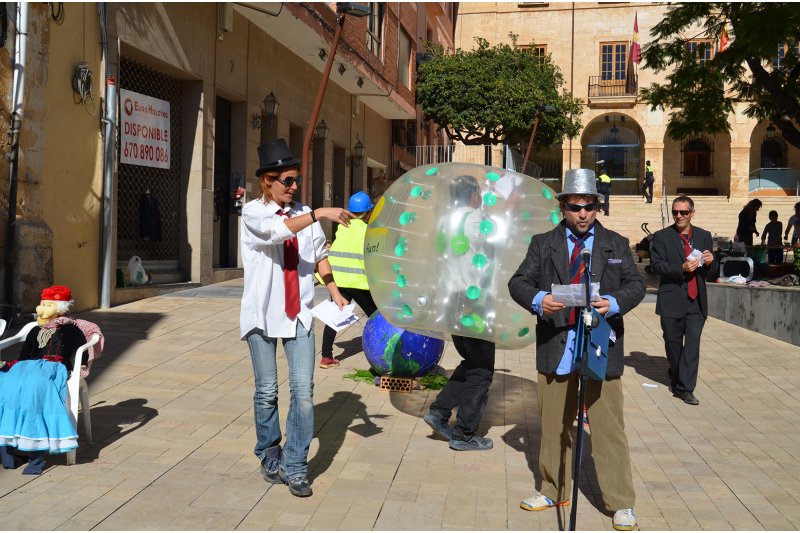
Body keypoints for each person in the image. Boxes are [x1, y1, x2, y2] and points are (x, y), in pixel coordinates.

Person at [508, 168, 644, 531]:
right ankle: (553, 488)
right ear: (563, 207)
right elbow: (518, 281)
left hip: (601, 346)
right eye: (574, 206)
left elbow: (636, 284)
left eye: (589, 206)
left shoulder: (616, 244)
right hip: (557, 344)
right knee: (553, 423)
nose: (582, 214)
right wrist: (539, 299)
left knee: (608, 427)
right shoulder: (543, 243)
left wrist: (613, 303)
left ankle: (620, 502)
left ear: (598, 207)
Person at [240, 138, 353, 498]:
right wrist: (318, 213)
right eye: (286, 181)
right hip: (262, 313)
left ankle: (295, 464)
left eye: (295, 181)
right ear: (268, 181)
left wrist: (333, 290)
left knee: (303, 393)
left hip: (301, 314)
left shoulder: (303, 212)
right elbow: (277, 233)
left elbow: (319, 254)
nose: (293, 187)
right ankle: (269, 453)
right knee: (267, 391)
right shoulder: (254, 212)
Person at [422, 175, 497, 452]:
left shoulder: (446, 221)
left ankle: (440, 411)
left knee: (471, 359)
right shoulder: (477, 220)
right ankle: (463, 434)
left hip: (452, 299)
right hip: (473, 300)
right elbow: (491, 245)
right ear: (475, 196)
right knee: (482, 370)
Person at [0, 285, 103, 475]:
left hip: (54, 368)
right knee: (6, 385)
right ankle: (9, 453)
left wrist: (81, 364)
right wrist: (15, 369)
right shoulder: (34, 331)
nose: (41, 308)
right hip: (29, 366)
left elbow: (82, 347)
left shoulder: (71, 330)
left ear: (60, 308)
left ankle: (36, 457)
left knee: (35, 391)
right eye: (42, 304)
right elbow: (24, 356)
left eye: (48, 304)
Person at [650, 196, 714, 406]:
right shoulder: (661, 237)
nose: (679, 216)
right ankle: (676, 375)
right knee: (673, 344)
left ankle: (686, 389)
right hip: (672, 299)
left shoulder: (704, 236)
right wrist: (680, 269)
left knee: (692, 345)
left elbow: (710, 272)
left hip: (697, 301)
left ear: (691, 213)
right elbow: (656, 266)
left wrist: (711, 262)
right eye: (675, 212)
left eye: (683, 212)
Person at [319, 191, 378, 369]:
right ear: (368, 212)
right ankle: (382, 356)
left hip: (338, 281)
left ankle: (326, 357)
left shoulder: (342, 227)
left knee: (335, 316)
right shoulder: (369, 231)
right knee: (375, 318)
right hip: (360, 282)